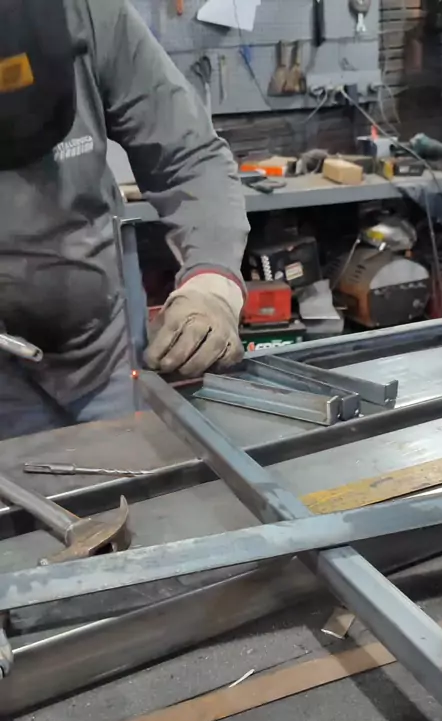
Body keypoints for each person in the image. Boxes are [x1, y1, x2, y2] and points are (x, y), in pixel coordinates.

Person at [0, 0, 249, 440]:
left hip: (105, 356)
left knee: (144, 471)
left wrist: (212, 288)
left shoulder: (90, 12)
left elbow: (189, 157)